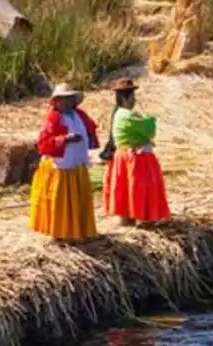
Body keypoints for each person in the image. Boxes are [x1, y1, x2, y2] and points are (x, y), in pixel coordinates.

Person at [29, 83, 99, 241]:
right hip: (61, 167)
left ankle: (78, 231)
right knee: (61, 203)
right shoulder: (53, 118)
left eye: (70, 99)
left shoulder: (79, 114)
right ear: (56, 101)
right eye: (64, 99)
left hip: (77, 164)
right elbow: (44, 143)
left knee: (77, 200)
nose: (67, 103)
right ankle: (60, 233)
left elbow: (91, 130)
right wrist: (65, 139)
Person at [102, 79, 170, 226]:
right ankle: (142, 217)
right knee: (138, 186)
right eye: (133, 96)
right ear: (127, 97)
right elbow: (149, 129)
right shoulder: (127, 115)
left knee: (124, 187)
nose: (134, 100)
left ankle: (126, 216)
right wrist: (150, 120)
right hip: (133, 158)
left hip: (123, 155)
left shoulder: (118, 114)